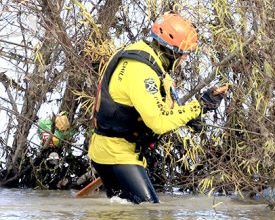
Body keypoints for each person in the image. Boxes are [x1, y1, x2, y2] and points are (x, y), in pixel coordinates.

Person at [87, 13, 226, 203]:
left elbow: (162, 107)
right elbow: (159, 122)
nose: (185, 58)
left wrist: (189, 117)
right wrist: (199, 106)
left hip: (117, 151)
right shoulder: (141, 71)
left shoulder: (148, 58)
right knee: (150, 215)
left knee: (125, 216)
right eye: (184, 53)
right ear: (170, 50)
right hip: (116, 154)